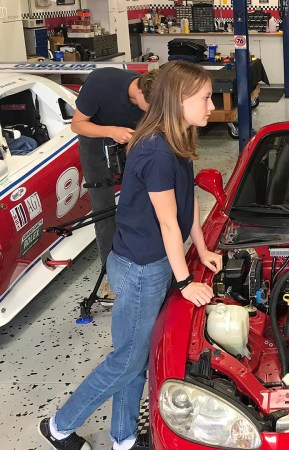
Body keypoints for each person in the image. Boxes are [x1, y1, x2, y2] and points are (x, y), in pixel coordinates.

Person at [39, 61, 221, 450]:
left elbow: (185, 207)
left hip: (149, 262)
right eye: (205, 98)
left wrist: (202, 248)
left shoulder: (178, 140)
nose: (211, 106)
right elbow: (169, 224)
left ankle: (121, 437)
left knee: (134, 356)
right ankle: (58, 426)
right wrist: (186, 282)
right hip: (141, 268)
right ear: (179, 100)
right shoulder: (156, 151)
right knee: (126, 361)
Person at [72, 67, 159, 296]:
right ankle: (112, 278)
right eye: (154, 107)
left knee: (148, 201)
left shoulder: (154, 94)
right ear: (141, 94)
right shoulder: (101, 83)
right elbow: (77, 124)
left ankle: (150, 267)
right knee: (105, 211)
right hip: (96, 139)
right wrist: (110, 131)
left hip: (135, 139)